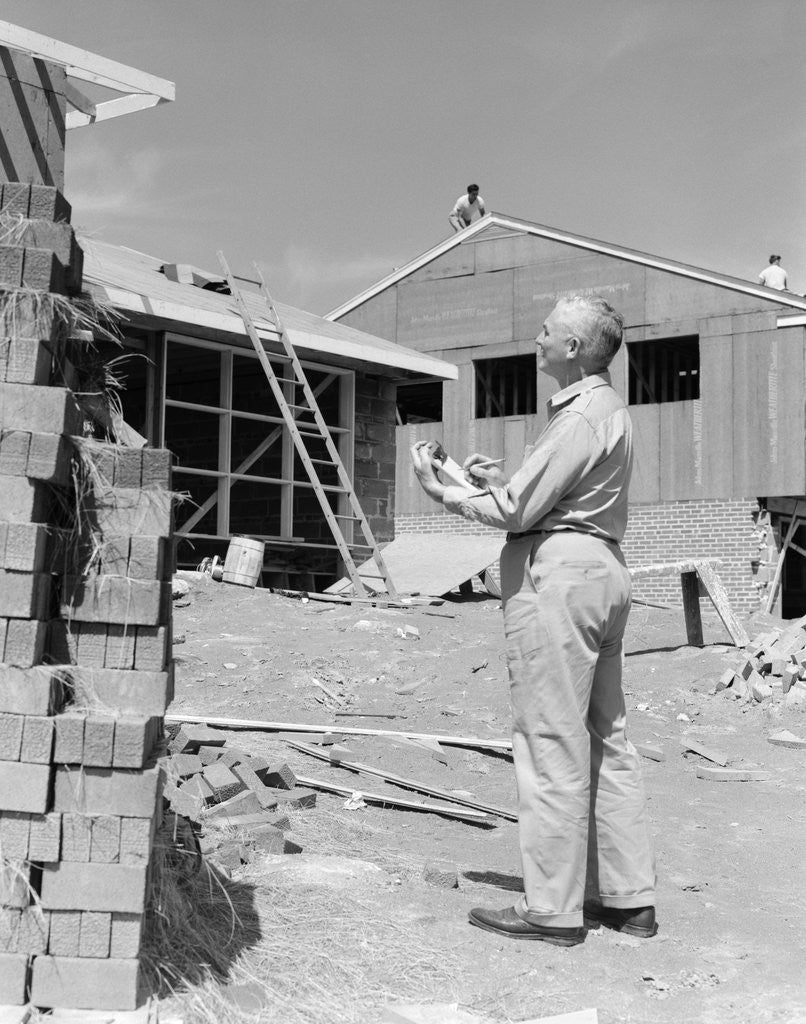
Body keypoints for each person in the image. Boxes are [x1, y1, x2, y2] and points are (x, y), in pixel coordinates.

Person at [410, 294, 657, 946]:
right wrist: (496, 479)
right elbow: (547, 492)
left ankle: (552, 908)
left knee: (551, 742)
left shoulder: (579, 417)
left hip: (562, 582)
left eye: (547, 331)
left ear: (572, 349)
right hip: (602, 570)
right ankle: (629, 899)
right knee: (609, 739)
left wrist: (447, 491)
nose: (537, 338)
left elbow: (521, 509)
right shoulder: (606, 412)